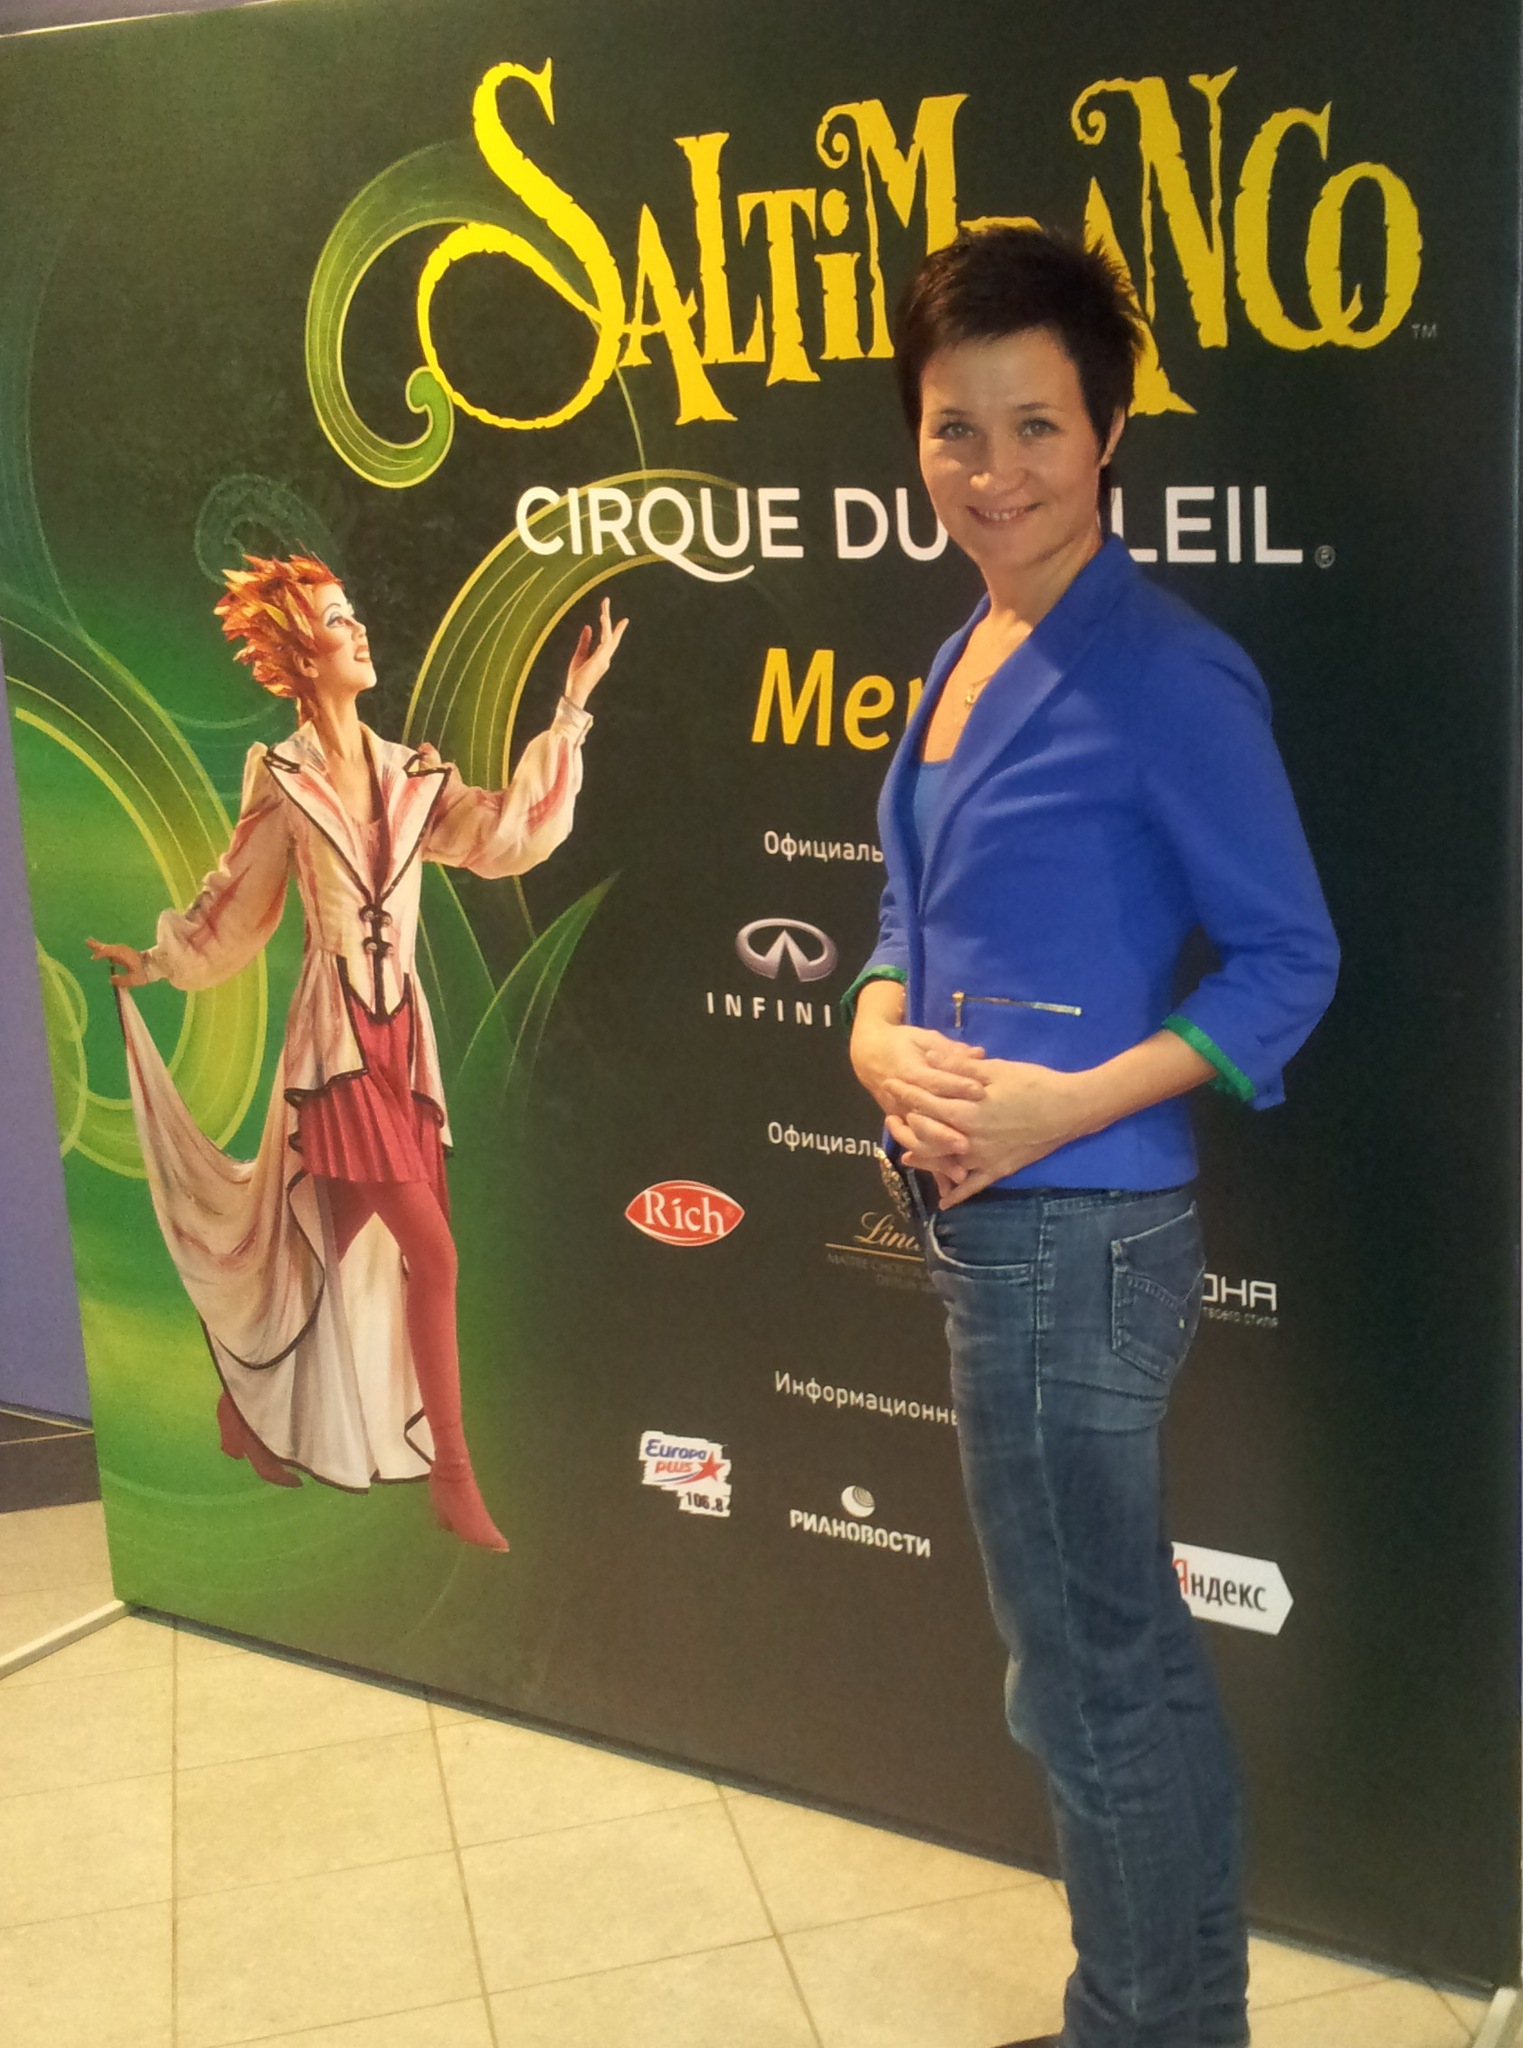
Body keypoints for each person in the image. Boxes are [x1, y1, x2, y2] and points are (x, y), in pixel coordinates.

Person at [845, 227, 1338, 2048]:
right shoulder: (968, 643)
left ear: (1108, 431)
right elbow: (906, 913)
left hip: (1076, 1237)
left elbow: (1288, 960)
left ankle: (1145, 2026)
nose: (993, 472)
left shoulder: (1161, 671)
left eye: (1034, 426)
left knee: (1090, 1680)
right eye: (953, 429)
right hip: (993, 1232)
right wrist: (867, 1019)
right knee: (1089, 1664)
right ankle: (1150, 2016)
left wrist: (1067, 1100)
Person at [88, 556, 626, 1552]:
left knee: (319, 1244)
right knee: (434, 1254)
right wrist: (159, 961)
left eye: (352, 612)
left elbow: (508, 833)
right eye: (339, 621)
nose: (360, 630)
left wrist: (571, 710)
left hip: (401, 1044)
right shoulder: (282, 776)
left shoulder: (411, 775)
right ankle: (452, 1476)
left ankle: (239, 1410)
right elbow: (236, 899)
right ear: (303, 656)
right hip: (333, 1045)